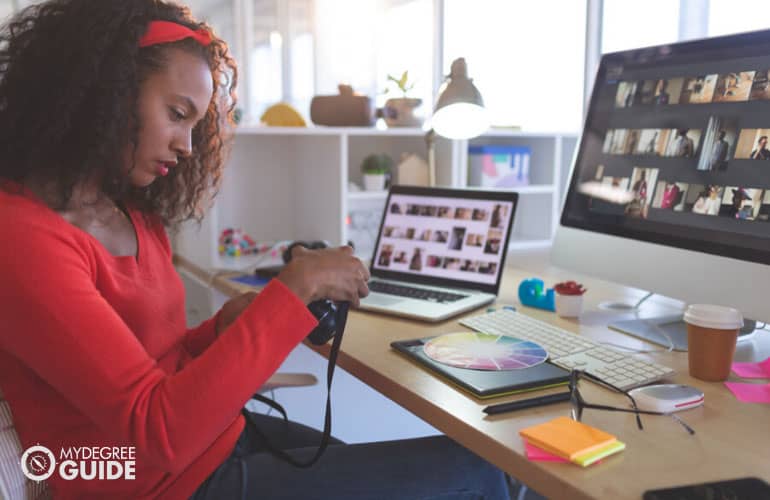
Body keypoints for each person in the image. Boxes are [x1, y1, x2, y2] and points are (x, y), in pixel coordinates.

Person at [0, 2, 510, 499]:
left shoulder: (129, 212)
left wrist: (224, 329)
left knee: (461, 468)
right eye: (177, 114)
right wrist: (296, 287)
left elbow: (159, 359)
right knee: (481, 474)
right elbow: (157, 431)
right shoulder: (22, 238)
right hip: (162, 484)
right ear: (106, 91)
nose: (187, 147)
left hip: (217, 443)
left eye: (196, 126)